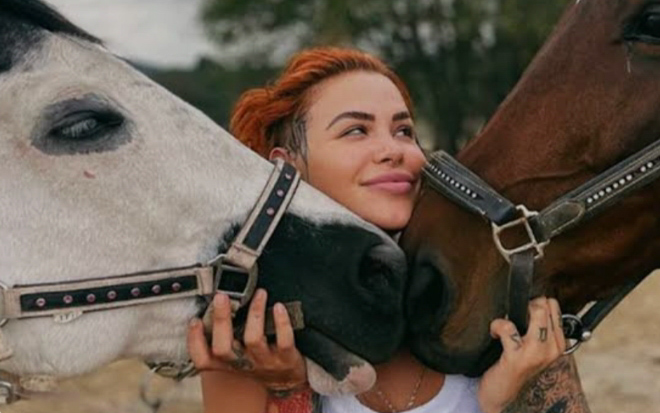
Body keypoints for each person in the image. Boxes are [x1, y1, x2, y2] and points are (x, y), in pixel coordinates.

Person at [186, 47, 580, 413]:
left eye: (404, 131)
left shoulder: (492, 295)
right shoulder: (251, 336)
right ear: (287, 168)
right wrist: (290, 392)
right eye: (356, 130)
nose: (394, 150)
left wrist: (511, 404)